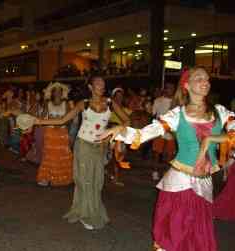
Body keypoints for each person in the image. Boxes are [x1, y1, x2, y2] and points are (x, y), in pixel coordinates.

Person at [99, 67, 235, 251]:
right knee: (176, 235)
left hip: (205, 183)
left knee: (198, 237)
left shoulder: (220, 112)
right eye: (199, 78)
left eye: (207, 78)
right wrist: (122, 131)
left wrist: (211, 139)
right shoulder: (177, 114)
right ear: (186, 85)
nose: (206, 82)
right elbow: (147, 132)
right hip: (180, 184)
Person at [35, 75, 130, 230]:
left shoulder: (110, 103)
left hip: (99, 148)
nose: (101, 86)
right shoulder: (83, 104)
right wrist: (38, 121)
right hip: (83, 145)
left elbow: (127, 120)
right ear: (91, 87)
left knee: (97, 181)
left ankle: (93, 210)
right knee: (84, 181)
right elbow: (62, 120)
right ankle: (86, 214)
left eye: (103, 83)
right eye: (98, 83)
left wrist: (116, 129)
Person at [36, 82, 73, 187]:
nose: (57, 93)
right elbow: (43, 117)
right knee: (49, 155)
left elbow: (69, 118)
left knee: (61, 155)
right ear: (52, 93)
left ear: (62, 93)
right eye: (55, 91)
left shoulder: (66, 104)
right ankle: (46, 177)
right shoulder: (48, 103)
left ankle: (60, 178)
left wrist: (61, 123)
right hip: (50, 133)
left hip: (62, 133)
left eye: (59, 91)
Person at [151, 83, 176, 180]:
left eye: (172, 89)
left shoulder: (176, 102)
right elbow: (153, 115)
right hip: (160, 130)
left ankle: (166, 173)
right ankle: (155, 171)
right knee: (157, 153)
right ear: (165, 89)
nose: (171, 90)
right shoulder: (158, 100)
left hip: (172, 132)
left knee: (169, 155)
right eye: (169, 88)